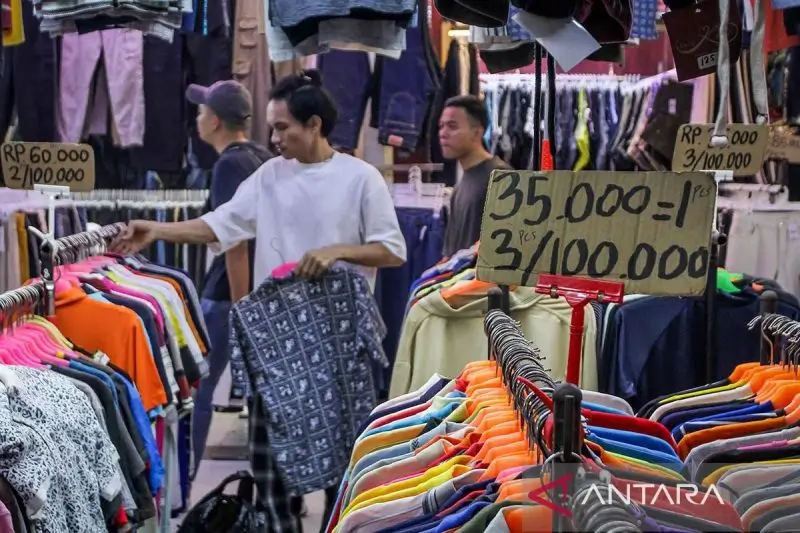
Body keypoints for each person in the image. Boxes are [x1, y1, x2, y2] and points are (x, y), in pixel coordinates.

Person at [113, 70, 406, 531]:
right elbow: (220, 224)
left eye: (283, 127)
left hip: (337, 349)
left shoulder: (360, 178)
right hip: (278, 347)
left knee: (345, 473)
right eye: (271, 127)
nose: (273, 137)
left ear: (314, 125)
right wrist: (158, 230)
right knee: (273, 477)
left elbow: (392, 250)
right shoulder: (270, 176)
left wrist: (337, 251)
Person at [185, 79, 274, 479]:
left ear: (216, 121)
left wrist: (242, 310)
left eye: (202, 111)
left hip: (226, 295)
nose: (197, 118)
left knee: (198, 389)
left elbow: (234, 241)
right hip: (256, 290)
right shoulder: (259, 155)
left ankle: (182, 485)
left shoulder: (229, 164)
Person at [439, 95, 512, 257]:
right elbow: (451, 254)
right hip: (461, 281)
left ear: (477, 132)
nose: (443, 133)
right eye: (441, 126)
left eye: (452, 126)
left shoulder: (501, 177)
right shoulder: (460, 186)